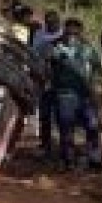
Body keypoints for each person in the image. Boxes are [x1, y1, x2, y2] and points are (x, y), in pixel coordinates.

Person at [48, 17, 102, 170]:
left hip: (85, 95)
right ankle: (68, 160)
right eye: (69, 28)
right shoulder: (57, 48)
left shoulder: (89, 49)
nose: (72, 31)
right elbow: (50, 68)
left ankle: (94, 160)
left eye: (75, 28)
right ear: (65, 30)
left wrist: (95, 88)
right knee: (66, 129)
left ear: (80, 31)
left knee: (92, 127)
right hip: (65, 94)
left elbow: (98, 68)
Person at [28, 11, 62, 158]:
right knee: (45, 113)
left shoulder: (64, 34)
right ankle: (45, 145)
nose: (51, 24)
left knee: (62, 115)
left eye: (54, 22)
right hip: (42, 77)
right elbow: (34, 54)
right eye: (49, 22)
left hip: (61, 79)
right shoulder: (39, 34)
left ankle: (63, 146)